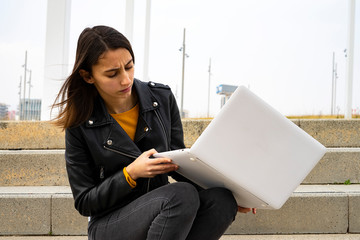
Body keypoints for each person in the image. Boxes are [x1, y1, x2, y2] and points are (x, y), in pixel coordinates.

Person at [52, 25, 255, 240]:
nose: (125, 79)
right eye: (112, 74)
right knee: (181, 195)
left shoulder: (161, 98)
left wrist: (238, 193)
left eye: (129, 67)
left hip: (164, 210)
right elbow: (85, 201)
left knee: (222, 200)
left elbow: (180, 164)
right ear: (88, 76)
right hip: (110, 224)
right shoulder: (80, 124)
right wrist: (130, 174)